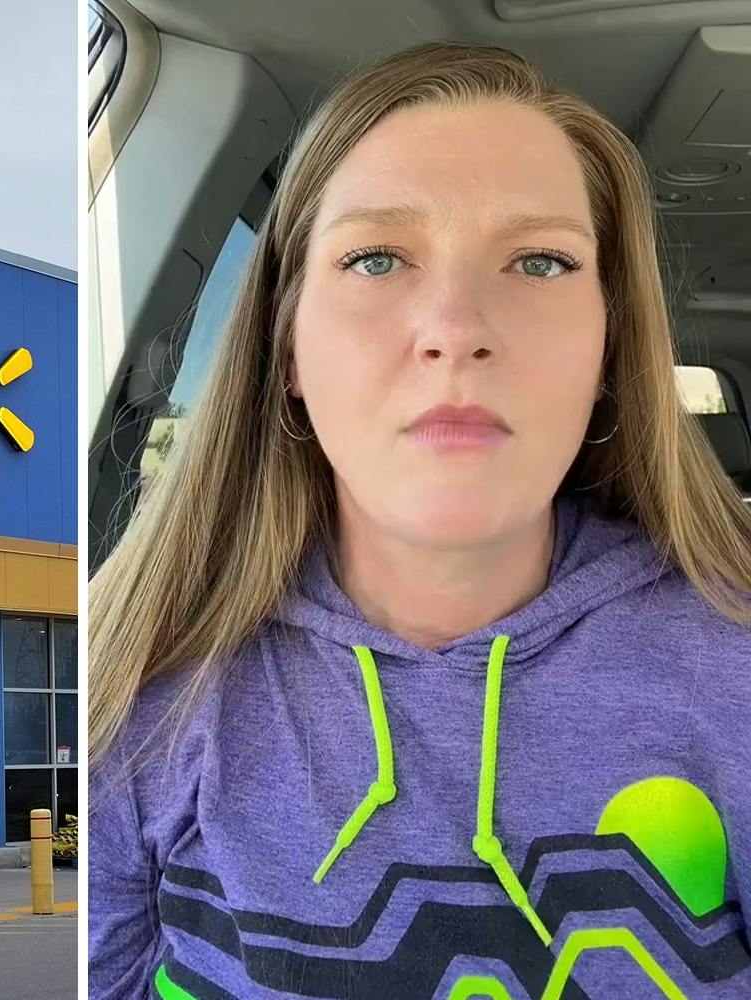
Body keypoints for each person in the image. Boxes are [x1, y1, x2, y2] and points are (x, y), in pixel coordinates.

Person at [88, 42, 751, 999]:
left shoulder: (730, 662)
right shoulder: (140, 687)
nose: (453, 323)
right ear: (287, 354)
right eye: (376, 257)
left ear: (612, 350)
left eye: (538, 260)